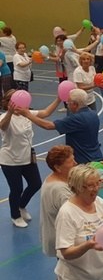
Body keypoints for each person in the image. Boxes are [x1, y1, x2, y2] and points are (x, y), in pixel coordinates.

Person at [1, 89, 59, 227]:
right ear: (8, 103)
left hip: (27, 157)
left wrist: (59, 99)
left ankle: (21, 206)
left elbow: (46, 113)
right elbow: (3, 126)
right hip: (10, 160)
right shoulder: (4, 117)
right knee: (16, 189)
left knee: (36, 184)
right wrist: (10, 112)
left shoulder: (27, 114)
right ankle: (15, 216)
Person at [40, 145, 76, 280]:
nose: (75, 163)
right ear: (58, 167)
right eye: (71, 161)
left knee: (65, 270)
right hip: (63, 239)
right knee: (70, 273)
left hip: (56, 235)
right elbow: (75, 214)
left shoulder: (52, 179)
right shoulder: (60, 190)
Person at [25, 88, 103, 163]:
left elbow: (48, 126)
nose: (67, 104)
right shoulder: (93, 114)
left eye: (68, 102)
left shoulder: (76, 119)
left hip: (83, 161)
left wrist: (28, 115)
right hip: (97, 156)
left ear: (75, 104)